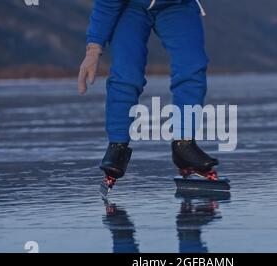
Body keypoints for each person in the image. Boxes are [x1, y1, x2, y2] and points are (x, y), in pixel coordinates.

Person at [78, 0, 219, 189]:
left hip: (177, 6)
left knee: (191, 67)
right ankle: (117, 146)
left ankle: (184, 144)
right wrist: (93, 48)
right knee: (126, 75)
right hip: (130, 7)